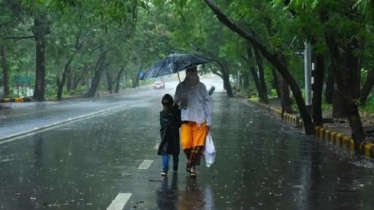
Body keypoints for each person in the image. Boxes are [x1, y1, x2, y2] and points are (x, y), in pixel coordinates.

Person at [174, 65, 211, 178]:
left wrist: (209, 121)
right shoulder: (181, 86)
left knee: (198, 145)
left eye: (193, 70)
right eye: (188, 70)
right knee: (186, 144)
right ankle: (190, 162)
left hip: (200, 120)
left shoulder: (202, 87)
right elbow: (176, 101)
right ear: (186, 72)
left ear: (196, 72)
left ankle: (192, 167)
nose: (191, 73)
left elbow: (207, 103)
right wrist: (181, 102)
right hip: (186, 119)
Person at [158, 94, 181, 176]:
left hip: (174, 135)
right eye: (164, 104)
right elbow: (165, 122)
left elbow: (178, 123)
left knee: (175, 152)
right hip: (165, 135)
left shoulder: (176, 112)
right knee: (165, 152)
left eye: (167, 103)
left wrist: (175, 111)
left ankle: (175, 166)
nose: (165, 105)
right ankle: (165, 169)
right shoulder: (162, 113)